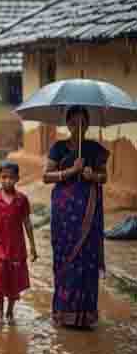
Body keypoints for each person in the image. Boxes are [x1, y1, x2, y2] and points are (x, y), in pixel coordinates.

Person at [43, 106, 109, 329]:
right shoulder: (58, 148)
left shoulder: (94, 149)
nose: (78, 127)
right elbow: (46, 176)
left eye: (83, 123)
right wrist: (71, 171)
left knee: (86, 260)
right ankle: (64, 313)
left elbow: (104, 177)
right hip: (64, 214)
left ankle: (85, 315)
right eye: (74, 123)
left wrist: (94, 175)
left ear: (88, 125)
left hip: (88, 211)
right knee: (65, 257)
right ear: (68, 124)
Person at [0, 161, 37, 323]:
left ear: (17, 179)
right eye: (4, 177)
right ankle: (0, 304)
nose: (7, 181)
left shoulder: (22, 200)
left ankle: (10, 310)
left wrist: (33, 246)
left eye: (11, 177)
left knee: (14, 278)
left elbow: (27, 223)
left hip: (17, 246)